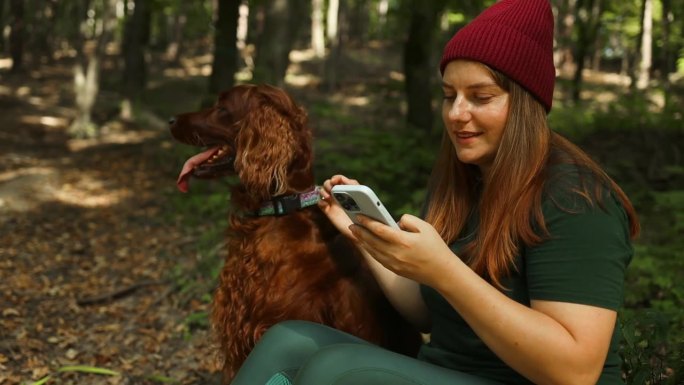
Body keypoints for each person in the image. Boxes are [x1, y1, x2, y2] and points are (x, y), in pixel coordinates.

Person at [230, 0, 640, 383]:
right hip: (447, 371)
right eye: (449, 96)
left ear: (526, 104)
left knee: (335, 370)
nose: (457, 113)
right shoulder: (468, 179)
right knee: (290, 341)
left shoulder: (576, 199)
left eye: (480, 97)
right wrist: (366, 235)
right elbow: (427, 315)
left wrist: (446, 270)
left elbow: (575, 370)